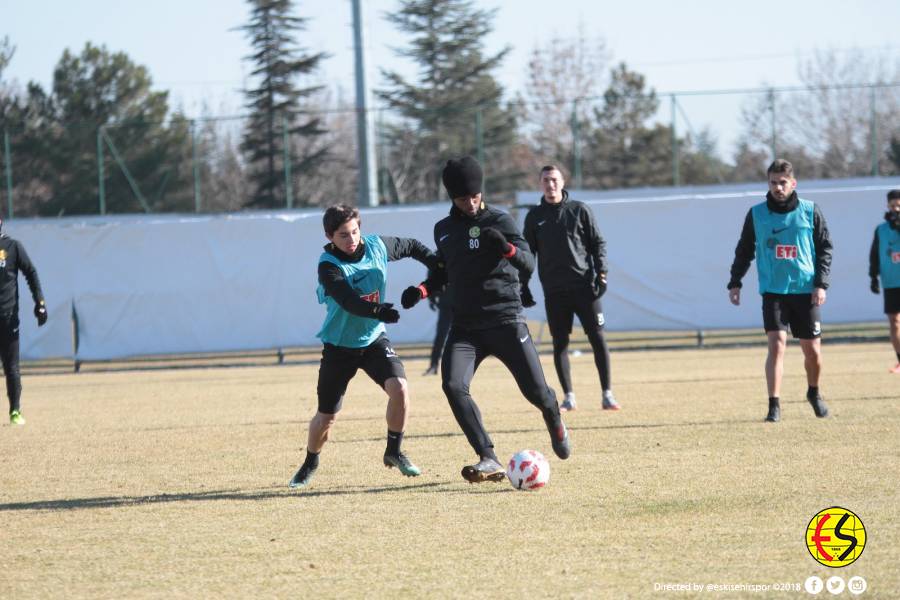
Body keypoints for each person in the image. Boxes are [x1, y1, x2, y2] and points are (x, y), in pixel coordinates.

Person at [401, 156, 571, 483]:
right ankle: (487, 456)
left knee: (537, 393)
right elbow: (444, 272)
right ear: (452, 197)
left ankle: (554, 415)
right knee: (452, 385)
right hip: (466, 326)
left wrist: (506, 248)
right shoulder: (444, 230)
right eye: (462, 198)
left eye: (474, 195)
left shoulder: (501, 220)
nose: (470, 202)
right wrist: (421, 291)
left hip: (505, 320)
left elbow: (527, 264)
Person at [289, 204, 437, 489]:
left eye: (355, 231)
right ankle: (310, 461)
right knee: (327, 417)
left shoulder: (377, 246)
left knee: (401, 388)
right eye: (343, 235)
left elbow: (414, 247)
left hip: (373, 340)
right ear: (330, 236)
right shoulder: (328, 265)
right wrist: (378, 311)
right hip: (339, 346)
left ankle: (394, 451)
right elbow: (348, 300)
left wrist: (437, 265)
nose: (352, 239)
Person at [727, 159, 833, 423]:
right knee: (777, 345)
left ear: (792, 183)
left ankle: (813, 392)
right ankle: (774, 405)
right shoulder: (757, 214)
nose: (778, 187)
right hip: (773, 291)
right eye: (773, 182)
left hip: (805, 290)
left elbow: (825, 249)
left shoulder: (810, 211)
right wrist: (735, 281)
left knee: (813, 353)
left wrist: (821, 283)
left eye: (782, 182)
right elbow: (744, 250)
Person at [521, 165, 618, 412]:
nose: (550, 185)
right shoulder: (535, 217)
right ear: (540, 184)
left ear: (563, 182)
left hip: (585, 288)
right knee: (560, 343)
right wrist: (523, 284)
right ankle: (569, 397)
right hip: (554, 291)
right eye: (545, 180)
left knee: (598, 338)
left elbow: (598, 244)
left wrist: (602, 273)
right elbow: (526, 255)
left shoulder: (580, 210)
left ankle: (607, 394)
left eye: (554, 179)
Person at [0, 217, 47, 426]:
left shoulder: (13, 247)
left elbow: (31, 272)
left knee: (12, 367)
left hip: (8, 318)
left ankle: (15, 411)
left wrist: (40, 302)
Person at [868, 189, 900, 372]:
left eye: (899, 205)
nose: (895, 209)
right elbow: (874, 255)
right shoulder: (881, 230)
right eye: (892, 205)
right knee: (894, 321)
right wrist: (873, 276)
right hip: (891, 282)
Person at [423, 289, 451, 375]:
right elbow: (433, 278)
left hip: (461, 303)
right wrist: (432, 297)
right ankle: (433, 366)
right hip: (446, 304)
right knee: (440, 336)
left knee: (465, 335)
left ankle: (463, 366)